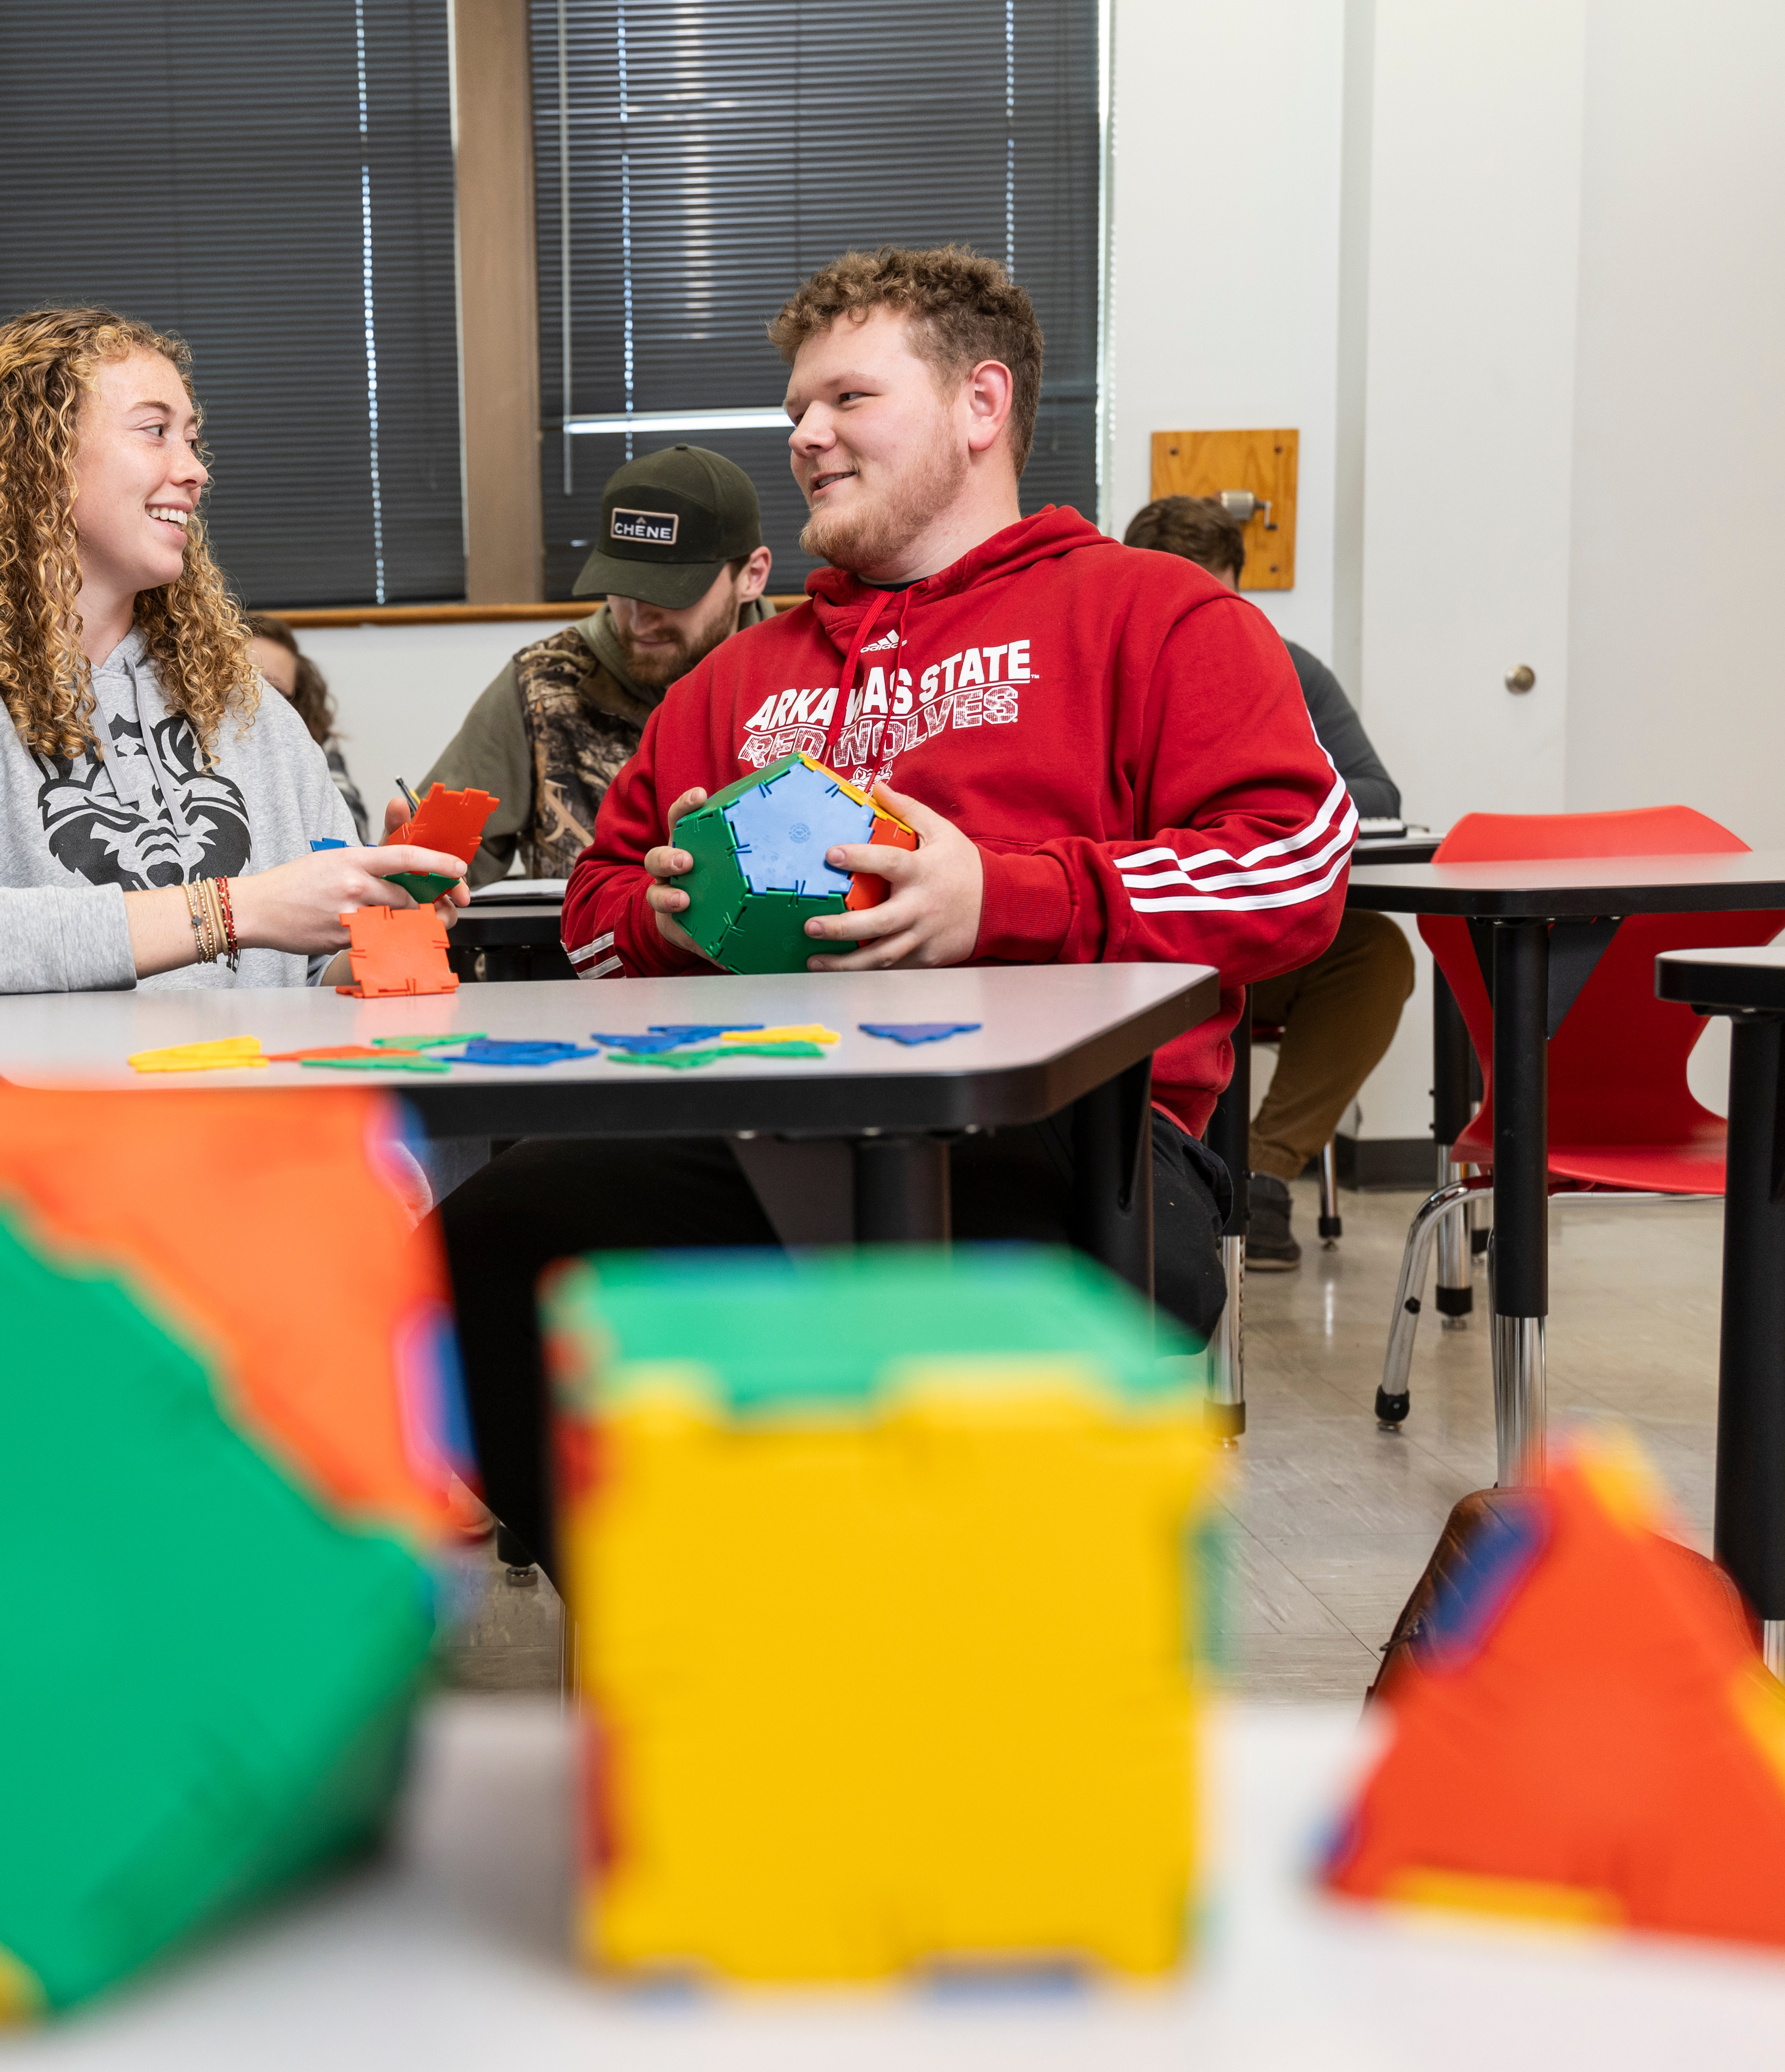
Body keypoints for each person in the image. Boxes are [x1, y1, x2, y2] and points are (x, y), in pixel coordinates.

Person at [438, 246, 1350, 1575]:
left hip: (1071, 1144)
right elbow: (589, 907)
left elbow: (1293, 868)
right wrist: (662, 924)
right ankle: (698, 1651)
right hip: (765, 1127)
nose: (803, 435)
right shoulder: (735, 679)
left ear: (982, 406)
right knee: (480, 1251)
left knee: (964, 1321)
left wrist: (1005, 895)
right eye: (797, 408)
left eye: (847, 399)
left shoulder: (1156, 614)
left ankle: (928, 1681)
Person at [0, 308, 466, 1031]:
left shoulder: (244, 704)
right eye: (155, 432)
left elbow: (312, 976)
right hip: (56, 1139)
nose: (195, 470)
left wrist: (386, 911)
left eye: (192, 439)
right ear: (41, 462)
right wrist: (228, 910)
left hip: (261, 1125)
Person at [1123, 494, 1415, 1268]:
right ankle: (1149, 1174)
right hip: (1144, 943)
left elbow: (1377, 794)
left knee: (1375, 954)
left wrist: (1265, 810)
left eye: (1209, 594)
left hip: (1251, 937)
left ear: (1237, 591)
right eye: (1170, 592)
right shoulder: (1102, 667)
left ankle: (1264, 1169)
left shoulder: (1284, 668)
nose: (1189, 616)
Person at [422, 446, 774, 886]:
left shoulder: (806, 683)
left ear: (752, 575)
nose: (638, 619)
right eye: (622, 588)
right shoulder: (540, 684)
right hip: (578, 954)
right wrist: (408, 869)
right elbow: (430, 869)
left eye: (671, 592)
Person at [243, 611, 370, 842]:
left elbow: (351, 833)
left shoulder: (314, 742)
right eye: (245, 683)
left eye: (276, 692)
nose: (259, 701)